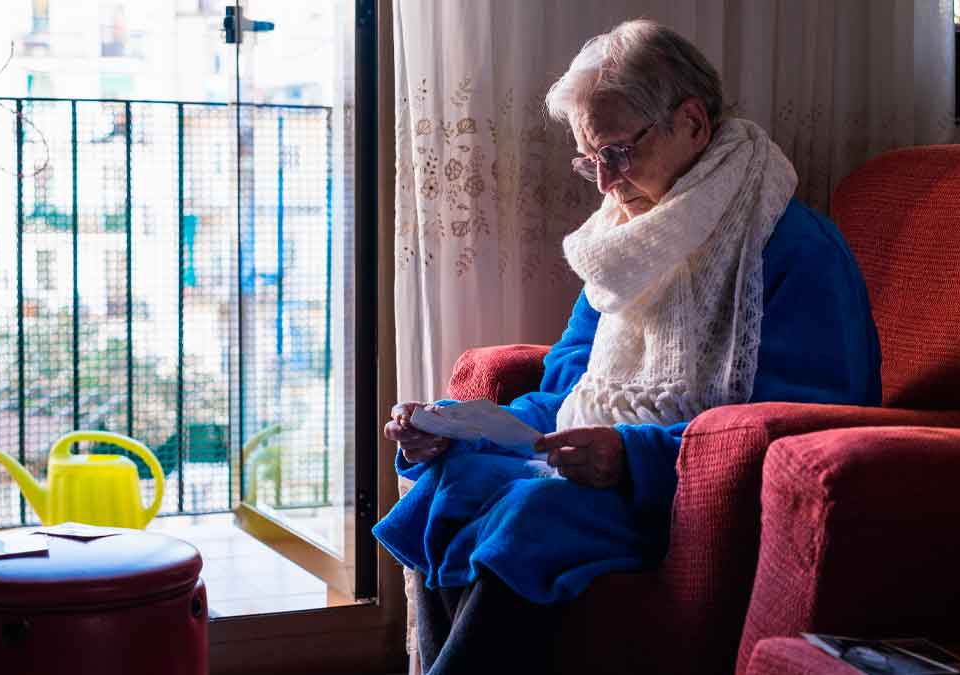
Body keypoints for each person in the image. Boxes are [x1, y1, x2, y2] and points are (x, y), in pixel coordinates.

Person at [373, 19, 881, 675]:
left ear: (693, 124)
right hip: (596, 468)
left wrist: (630, 456)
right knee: (457, 477)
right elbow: (562, 394)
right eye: (590, 160)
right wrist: (456, 430)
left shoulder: (796, 249)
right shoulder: (624, 245)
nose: (606, 182)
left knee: (536, 508)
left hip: (687, 490)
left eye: (617, 151)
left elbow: (807, 426)